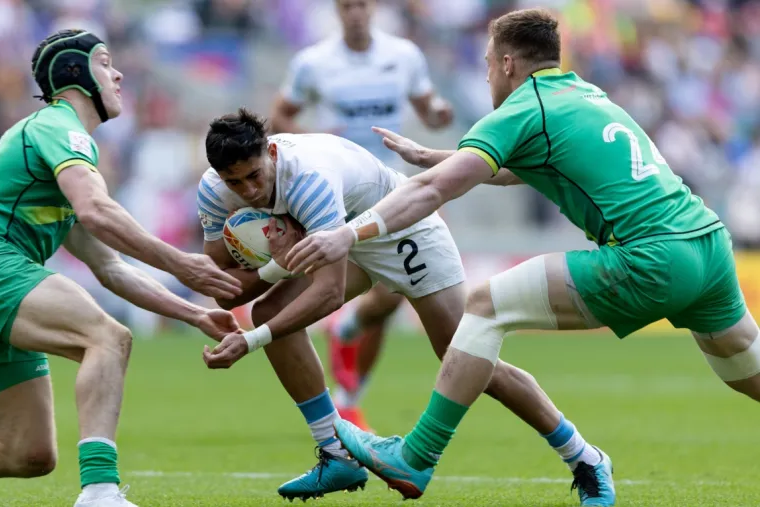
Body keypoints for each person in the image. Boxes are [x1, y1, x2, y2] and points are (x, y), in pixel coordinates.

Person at [286, 8, 760, 506]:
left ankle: (416, 456)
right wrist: (443, 158)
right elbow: (526, 166)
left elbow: (430, 191)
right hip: (708, 247)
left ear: (508, 64)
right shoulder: (581, 91)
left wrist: (350, 233)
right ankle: (572, 460)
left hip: (651, 259)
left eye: (488, 64)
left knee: (484, 306)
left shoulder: (524, 106)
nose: (488, 74)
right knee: (749, 376)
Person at [0, 29, 242, 507]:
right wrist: (182, 264)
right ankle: (100, 491)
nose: (119, 75)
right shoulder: (60, 125)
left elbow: (111, 267)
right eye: (106, 63)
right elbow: (96, 211)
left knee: (28, 452)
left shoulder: (59, 145)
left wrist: (194, 312)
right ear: (75, 74)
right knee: (108, 338)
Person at [199, 108, 612, 503]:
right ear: (219, 177)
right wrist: (275, 265)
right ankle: (337, 454)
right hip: (339, 239)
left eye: (254, 175)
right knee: (270, 313)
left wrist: (251, 341)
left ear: (271, 152)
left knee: (465, 356)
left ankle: (585, 457)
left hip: (402, 231)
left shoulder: (308, 180)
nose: (249, 191)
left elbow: (328, 293)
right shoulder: (215, 193)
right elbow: (226, 290)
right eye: (235, 183)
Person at [270, 0, 455, 430]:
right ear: (337, 11)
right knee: (381, 286)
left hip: (391, 185)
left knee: (392, 296)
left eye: (361, 5)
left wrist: (438, 113)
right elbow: (280, 116)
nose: (355, 13)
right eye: (347, 6)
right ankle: (348, 399)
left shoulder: (403, 55)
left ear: (373, 8)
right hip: (338, 187)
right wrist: (313, 137)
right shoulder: (313, 62)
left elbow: (427, 108)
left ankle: (347, 331)